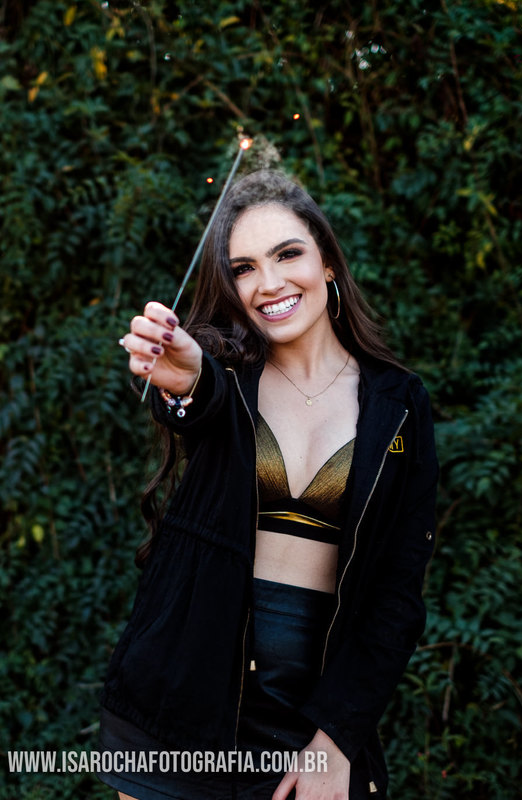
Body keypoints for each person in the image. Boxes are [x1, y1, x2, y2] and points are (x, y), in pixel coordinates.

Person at [98, 169, 438, 799]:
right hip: (184, 704)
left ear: (327, 263)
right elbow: (196, 397)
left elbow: (396, 595)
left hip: (311, 717)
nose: (270, 283)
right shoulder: (226, 372)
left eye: (287, 255)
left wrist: (336, 741)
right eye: (244, 268)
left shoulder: (399, 404)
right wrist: (184, 382)